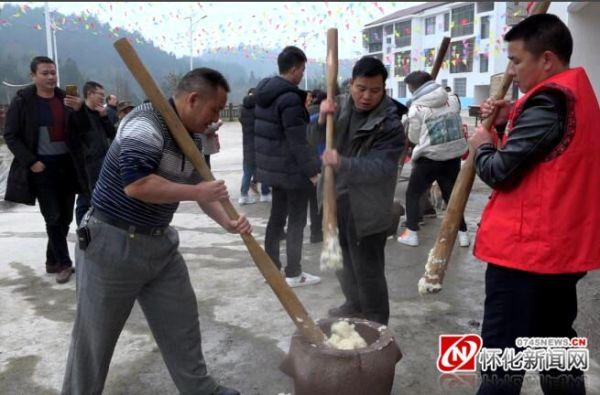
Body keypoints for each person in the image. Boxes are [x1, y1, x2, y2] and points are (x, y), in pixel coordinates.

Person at [61, 68, 247, 395]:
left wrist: (226, 221)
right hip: (111, 243)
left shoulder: (194, 138)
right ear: (193, 99)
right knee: (94, 340)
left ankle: (201, 391)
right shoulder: (144, 123)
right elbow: (138, 185)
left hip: (160, 244)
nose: (217, 117)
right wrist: (199, 193)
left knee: (182, 325)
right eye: (215, 109)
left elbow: (202, 186)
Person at [470, 14, 599, 395]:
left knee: (503, 356)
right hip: (558, 250)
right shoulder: (574, 94)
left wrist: (482, 145)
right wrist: (510, 118)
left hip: (526, 255)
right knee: (553, 346)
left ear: (546, 60)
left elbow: (499, 171)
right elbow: (546, 155)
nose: (511, 70)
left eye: (516, 60)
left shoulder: (548, 101)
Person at [309, 56, 405, 325]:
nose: (366, 96)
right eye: (361, 88)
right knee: (343, 261)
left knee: (368, 268)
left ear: (383, 89)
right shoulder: (337, 105)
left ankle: (376, 320)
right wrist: (319, 121)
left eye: (374, 91)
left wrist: (342, 163)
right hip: (334, 197)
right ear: (351, 83)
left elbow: (382, 168)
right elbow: (312, 138)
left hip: (367, 206)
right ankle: (353, 303)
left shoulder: (390, 123)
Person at [3, 56, 84, 284]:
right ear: (33, 76)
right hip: (41, 167)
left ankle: (51, 260)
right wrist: (31, 161)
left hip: (67, 166)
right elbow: (11, 135)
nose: (50, 77)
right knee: (53, 216)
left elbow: (82, 130)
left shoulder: (65, 98)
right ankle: (64, 264)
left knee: (65, 217)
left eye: (53, 72)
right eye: (44, 73)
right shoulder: (23, 101)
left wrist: (79, 111)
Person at [254, 46, 321, 287]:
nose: (303, 74)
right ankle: (294, 273)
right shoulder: (290, 98)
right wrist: (313, 171)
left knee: (276, 219)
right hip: (292, 172)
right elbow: (297, 141)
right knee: (296, 221)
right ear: (293, 69)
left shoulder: (264, 94)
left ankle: (271, 271)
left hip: (273, 170)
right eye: (302, 69)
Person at [396, 70, 469, 248]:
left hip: (429, 158)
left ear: (415, 88)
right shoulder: (452, 99)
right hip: (452, 156)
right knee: (452, 196)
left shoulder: (416, 109)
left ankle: (411, 233)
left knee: (413, 193)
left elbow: (414, 138)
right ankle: (463, 235)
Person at [67, 81, 116, 226]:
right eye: (100, 94)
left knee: (101, 196)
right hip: (86, 164)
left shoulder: (100, 112)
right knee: (84, 199)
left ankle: (97, 229)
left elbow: (111, 133)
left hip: (102, 161)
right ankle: (82, 230)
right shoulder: (78, 113)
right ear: (89, 93)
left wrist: (104, 117)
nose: (103, 97)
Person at [238, 88, 270, 204]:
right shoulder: (258, 111)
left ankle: (243, 195)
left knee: (247, 172)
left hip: (247, 147)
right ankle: (265, 193)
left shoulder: (242, 111)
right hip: (260, 145)